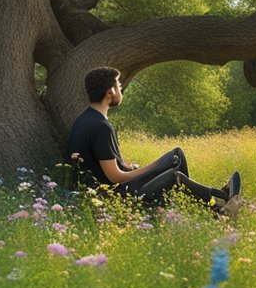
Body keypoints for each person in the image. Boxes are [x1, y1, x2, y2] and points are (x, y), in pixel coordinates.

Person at [68, 66, 242, 216]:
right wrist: (151, 168)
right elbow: (114, 177)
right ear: (110, 92)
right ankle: (219, 207)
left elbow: (106, 165)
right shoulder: (100, 127)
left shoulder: (87, 119)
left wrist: (130, 167)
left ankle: (211, 201)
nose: (121, 90)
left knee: (176, 155)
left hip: (120, 186)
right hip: (120, 195)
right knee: (174, 176)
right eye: (119, 86)